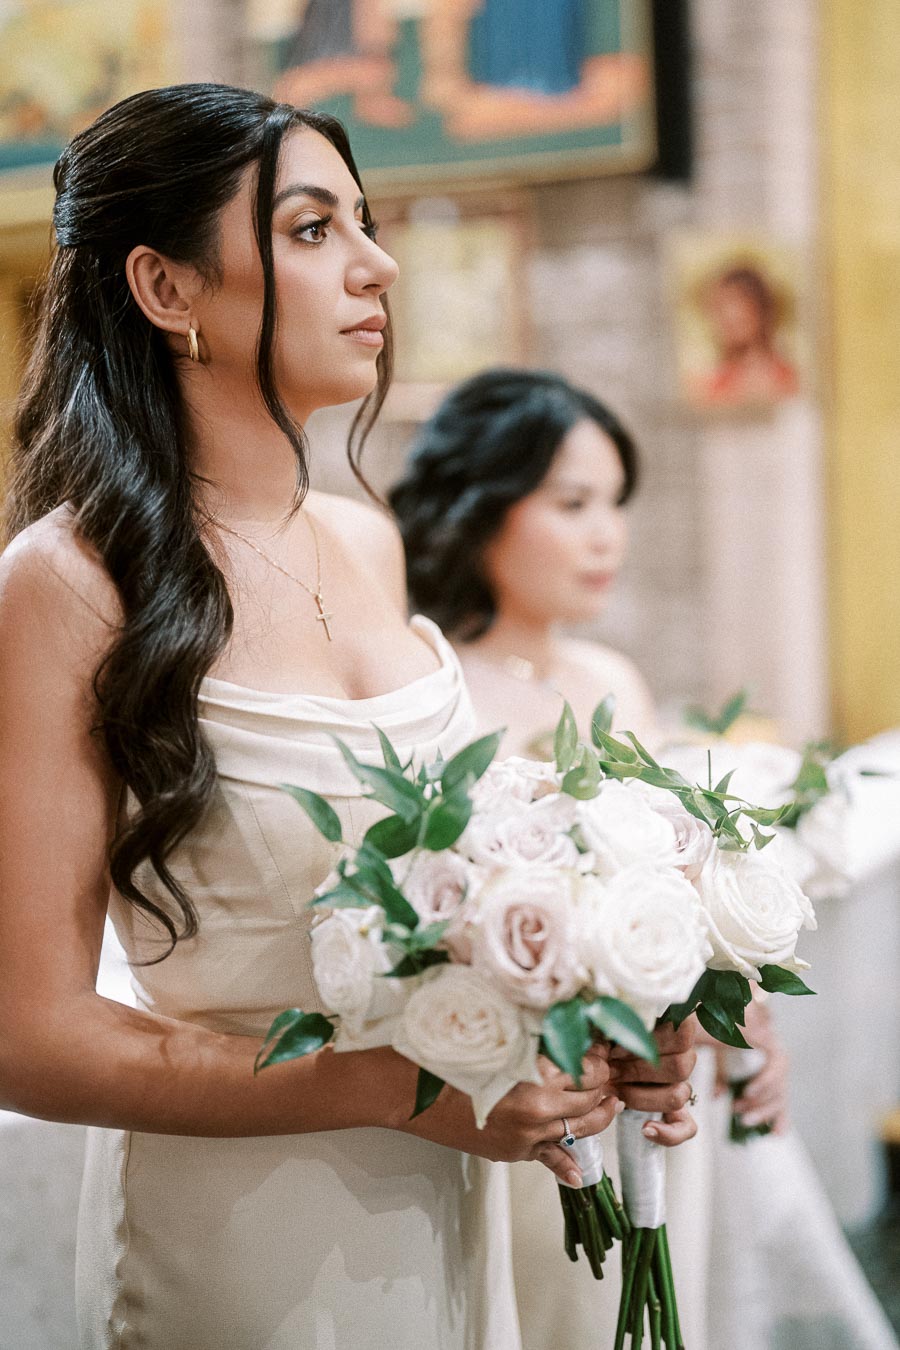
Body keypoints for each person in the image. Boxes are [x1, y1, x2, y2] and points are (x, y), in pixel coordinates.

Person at [0, 86, 696, 1350]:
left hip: (451, 1202)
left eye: (363, 225)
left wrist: (606, 1007)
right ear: (166, 289)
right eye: (314, 230)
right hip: (250, 1241)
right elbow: (27, 1033)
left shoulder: (366, 543)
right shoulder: (68, 582)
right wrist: (383, 1088)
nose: (378, 266)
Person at [390, 366, 898, 1350]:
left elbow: (670, 875)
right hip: (525, 1107)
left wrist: (736, 1005)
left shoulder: (607, 677)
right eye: (572, 503)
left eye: (616, 504)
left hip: (652, 1092)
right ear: (483, 500)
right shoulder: (431, 689)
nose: (605, 535)